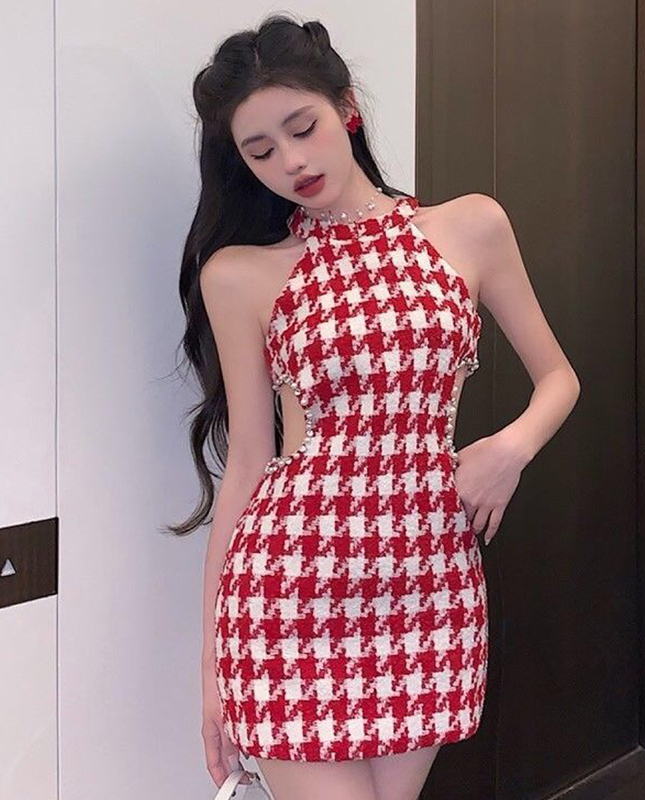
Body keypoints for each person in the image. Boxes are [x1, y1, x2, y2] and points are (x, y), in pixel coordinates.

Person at [170, 12, 580, 800]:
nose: (291, 161)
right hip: (291, 589)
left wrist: (509, 450)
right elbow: (249, 463)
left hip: (428, 583)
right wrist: (213, 667)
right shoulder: (240, 274)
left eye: (302, 128)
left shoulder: (470, 227)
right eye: (260, 150)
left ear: (346, 107)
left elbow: (559, 378)